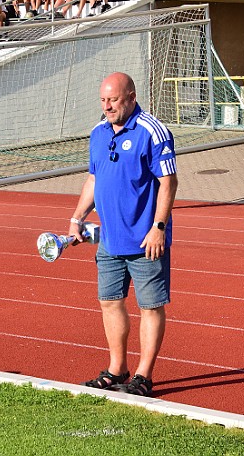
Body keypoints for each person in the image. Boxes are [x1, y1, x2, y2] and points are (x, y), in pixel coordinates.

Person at [70, 72, 177, 397]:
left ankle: (144, 376)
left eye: (113, 100)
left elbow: (168, 182)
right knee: (109, 302)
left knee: (150, 307)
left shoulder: (152, 131)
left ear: (130, 96)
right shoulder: (98, 133)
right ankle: (117, 368)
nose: (107, 107)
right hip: (109, 240)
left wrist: (159, 227)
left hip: (146, 241)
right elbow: (93, 180)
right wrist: (77, 217)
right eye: (103, 101)